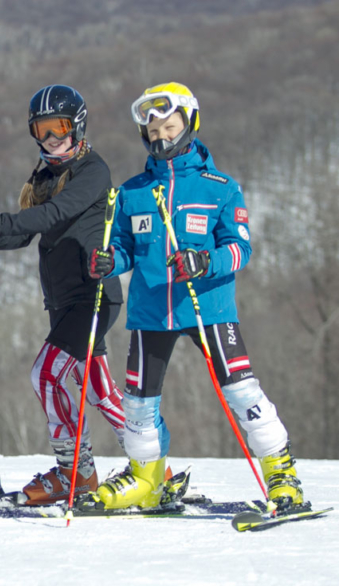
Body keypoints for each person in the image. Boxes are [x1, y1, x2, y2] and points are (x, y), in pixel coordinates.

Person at [79, 81, 306, 512]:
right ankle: (147, 479)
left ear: (190, 122)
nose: (161, 136)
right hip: (150, 312)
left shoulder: (219, 187)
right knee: (139, 403)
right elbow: (127, 247)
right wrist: (111, 261)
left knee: (241, 391)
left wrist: (205, 262)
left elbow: (240, 248)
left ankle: (281, 473)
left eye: (169, 126)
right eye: (153, 130)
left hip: (209, 308)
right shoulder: (132, 192)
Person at [0, 85, 126, 505]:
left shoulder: (92, 171)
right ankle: (153, 462)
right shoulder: (44, 175)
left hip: (93, 296)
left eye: (59, 128)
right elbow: (31, 231)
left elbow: (55, 213)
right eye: (42, 130)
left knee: (45, 374)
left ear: (78, 126)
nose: (51, 139)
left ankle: (74, 473)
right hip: (63, 301)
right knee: (98, 389)